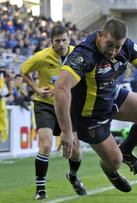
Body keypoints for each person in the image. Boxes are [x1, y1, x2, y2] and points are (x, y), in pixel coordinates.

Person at [54, 18, 137, 192]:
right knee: (115, 162)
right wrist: (66, 131)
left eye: (118, 46)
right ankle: (111, 170)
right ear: (100, 36)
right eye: (109, 45)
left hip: (111, 95)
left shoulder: (126, 46)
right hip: (89, 114)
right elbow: (61, 89)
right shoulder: (84, 55)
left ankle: (127, 150)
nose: (113, 51)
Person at [20, 25, 87, 200]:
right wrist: (35, 88)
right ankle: (40, 189)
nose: (61, 44)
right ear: (51, 42)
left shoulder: (77, 54)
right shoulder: (41, 57)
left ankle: (72, 176)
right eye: (57, 41)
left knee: (76, 151)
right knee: (46, 145)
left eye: (64, 40)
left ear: (69, 39)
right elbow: (23, 71)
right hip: (45, 105)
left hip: (67, 107)